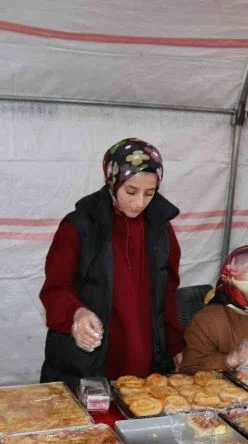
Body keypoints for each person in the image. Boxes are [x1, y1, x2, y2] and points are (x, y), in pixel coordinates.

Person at [39, 138, 184, 389]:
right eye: (131, 191)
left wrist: (174, 344)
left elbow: (168, 292)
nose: (139, 202)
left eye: (150, 193)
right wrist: (77, 313)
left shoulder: (161, 229)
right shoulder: (79, 226)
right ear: (112, 180)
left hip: (147, 362)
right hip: (90, 363)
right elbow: (55, 289)